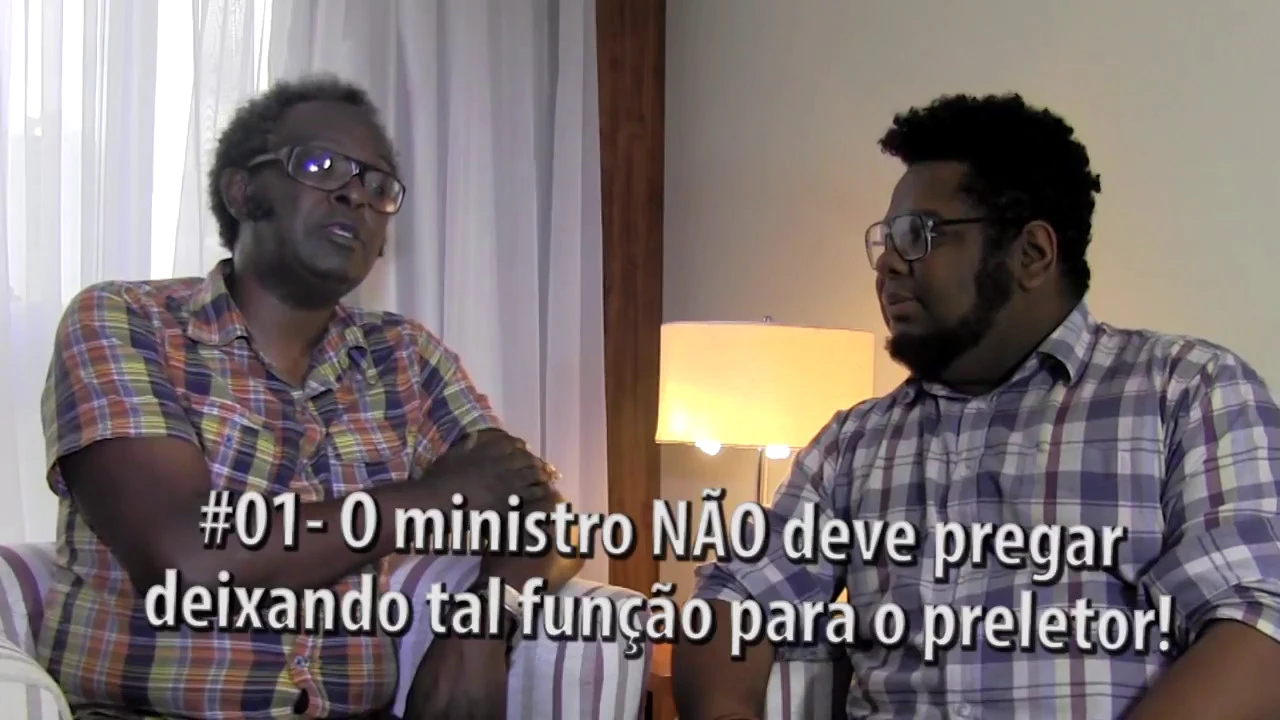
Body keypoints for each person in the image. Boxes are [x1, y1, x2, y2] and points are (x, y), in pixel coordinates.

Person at [672, 92, 1280, 719]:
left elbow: (1258, 621)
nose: (888, 264)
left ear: (1032, 254)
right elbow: (737, 599)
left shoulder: (1188, 392)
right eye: (886, 240)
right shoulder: (854, 442)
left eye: (918, 235)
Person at [38, 74, 582, 720]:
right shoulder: (126, 321)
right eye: (322, 166)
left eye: (378, 186)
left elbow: (545, 512)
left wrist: (485, 621)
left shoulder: (405, 357)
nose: (355, 194)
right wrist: (437, 498)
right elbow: (187, 560)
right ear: (242, 192)